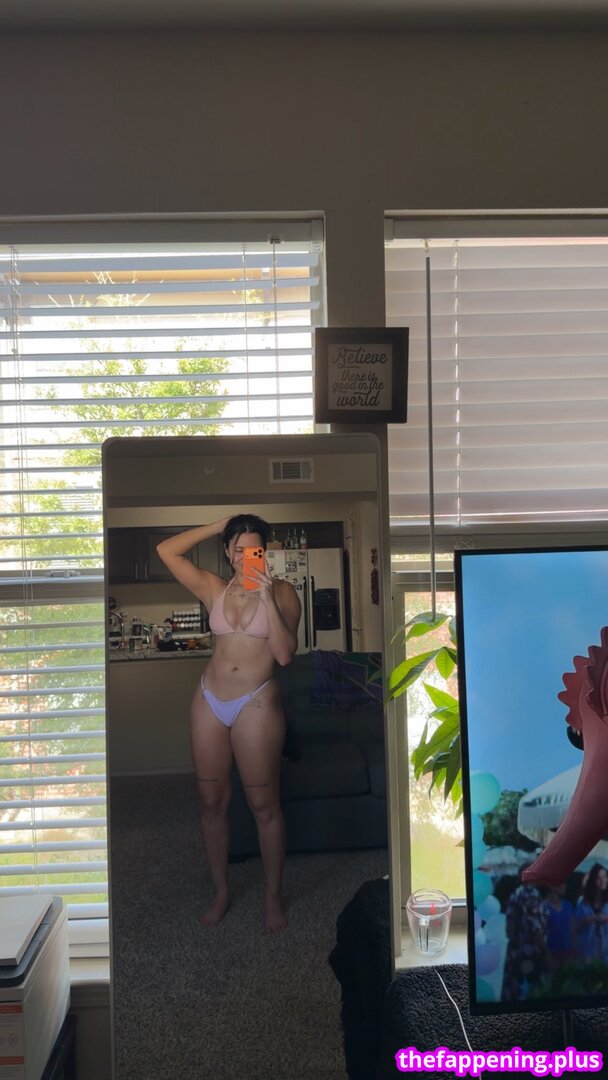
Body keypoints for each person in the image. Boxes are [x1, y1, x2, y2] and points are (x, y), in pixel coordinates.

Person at [156, 514, 301, 933]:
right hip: (209, 700)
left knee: (264, 805)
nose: (243, 557)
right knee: (211, 803)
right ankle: (221, 892)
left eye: (253, 549)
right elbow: (166, 551)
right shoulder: (213, 588)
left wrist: (267, 598)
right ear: (226, 551)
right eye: (237, 549)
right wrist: (217, 524)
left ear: (265, 552)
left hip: (256, 701)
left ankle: (272, 897)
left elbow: (285, 655)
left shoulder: (284, 592)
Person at [574, 863, 608, 962]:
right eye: (598, 878)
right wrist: (588, 920)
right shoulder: (583, 902)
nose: (602, 880)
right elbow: (575, 927)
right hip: (587, 950)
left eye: (605, 877)